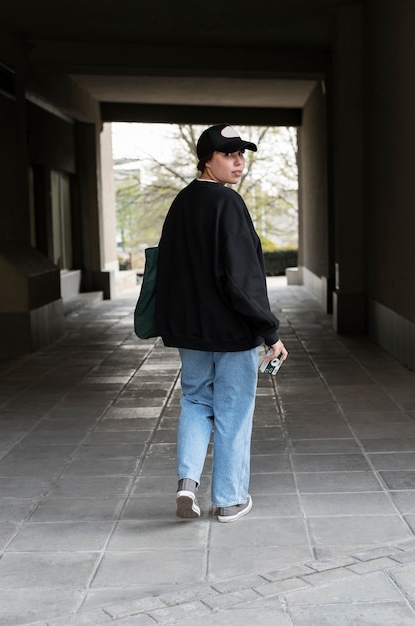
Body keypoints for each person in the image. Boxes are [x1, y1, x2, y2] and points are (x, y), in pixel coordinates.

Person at [155, 123, 288, 523]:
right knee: (232, 412)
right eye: (229, 154)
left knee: (196, 401)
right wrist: (269, 331)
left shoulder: (181, 204)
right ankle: (229, 500)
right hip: (232, 333)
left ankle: (187, 482)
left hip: (191, 332)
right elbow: (240, 280)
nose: (238, 161)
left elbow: (168, 269)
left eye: (241, 153)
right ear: (206, 160)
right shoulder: (228, 204)